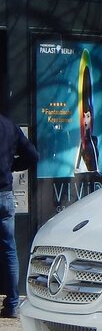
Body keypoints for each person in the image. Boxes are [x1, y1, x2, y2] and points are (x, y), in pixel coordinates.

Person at [1, 112, 38, 318]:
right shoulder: (9, 126)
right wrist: (10, 167)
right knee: (8, 249)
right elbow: (32, 156)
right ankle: (13, 304)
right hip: (4, 195)